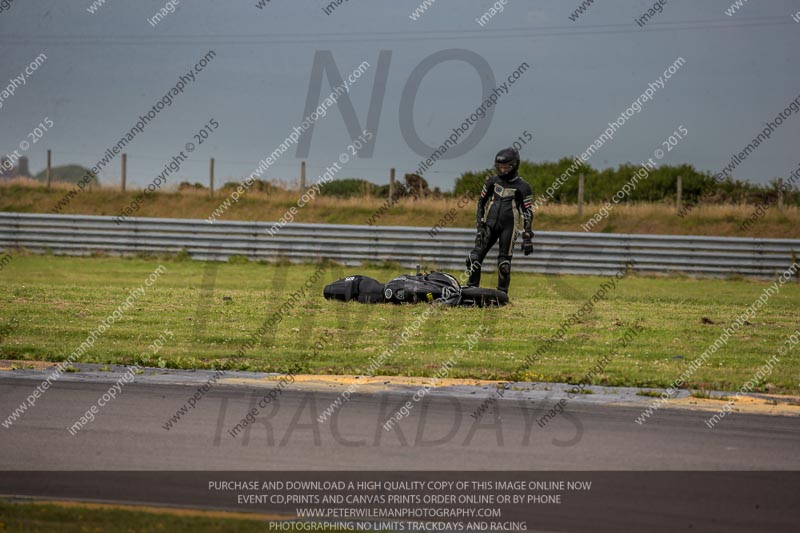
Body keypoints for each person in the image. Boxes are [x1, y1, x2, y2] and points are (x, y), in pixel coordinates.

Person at [466, 147, 533, 294]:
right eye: (499, 166)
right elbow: (481, 203)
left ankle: (501, 294)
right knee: (473, 258)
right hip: (489, 225)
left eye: (505, 167)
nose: (502, 170)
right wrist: (480, 227)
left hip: (509, 227)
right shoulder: (492, 181)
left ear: (514, 165)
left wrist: (527, 235)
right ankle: (471, 289)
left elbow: (527, 211)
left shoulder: (523, 187)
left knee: (504, 265)